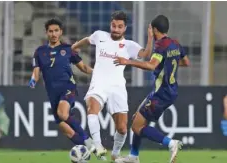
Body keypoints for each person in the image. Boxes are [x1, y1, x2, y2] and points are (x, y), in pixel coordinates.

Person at [71, 11, 153, 161]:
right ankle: (98, 145)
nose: (115, 29)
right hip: (99, 82)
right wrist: (75, 46)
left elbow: (146, 54)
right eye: (113, 25)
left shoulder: (129, 46)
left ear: (125, 28)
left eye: (119, 27)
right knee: (92, 109)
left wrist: (150, 37)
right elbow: (88, 40)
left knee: (122, 128)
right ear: (110, 24)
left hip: (117, 86)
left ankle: (115, 154)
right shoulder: (100, 35)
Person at [114, 15, 190, 163]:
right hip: (170, 91)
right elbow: (186, 62)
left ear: (155, 29)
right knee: (137, 118)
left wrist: (128, 61)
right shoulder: (175, 43)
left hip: (161, 93)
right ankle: (133, 156)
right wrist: (168, 64)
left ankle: (170, 143)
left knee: (136, 127)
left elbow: (151, 65)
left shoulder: (161, 46)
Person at [28, 18, 95, 152]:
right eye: (51, 31)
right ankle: (91, 151)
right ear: (46, 33)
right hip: (53, 93)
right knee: (66, 130)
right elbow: (36, 72)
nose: (53, 34)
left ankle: (87, 139)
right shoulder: (39, 52)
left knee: (62, 113)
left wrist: (98, 72)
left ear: (61, 32)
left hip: (68, 87)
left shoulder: (68, 49)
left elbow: (83, 68)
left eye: (56, 31)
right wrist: (33, 80)